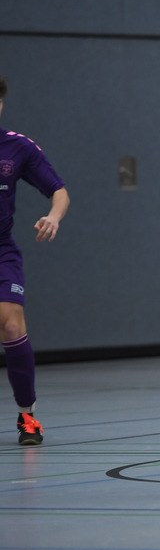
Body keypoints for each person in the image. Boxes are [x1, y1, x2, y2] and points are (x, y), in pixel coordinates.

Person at [0, 75, 70, 446]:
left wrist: (54, 215)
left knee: (11, 325)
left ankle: (27, 416)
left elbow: (59, 191)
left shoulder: (17, 148)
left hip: (1, 249)